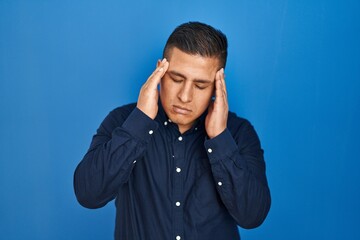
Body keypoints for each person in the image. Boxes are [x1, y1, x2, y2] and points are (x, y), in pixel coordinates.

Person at [74, 21, 271, 240]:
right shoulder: (122, 121)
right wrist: (139, 123)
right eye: (177, 79)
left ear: (217, 86)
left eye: (200, 86)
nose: (185, 96)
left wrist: (220, 138)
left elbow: (252, 217)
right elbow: (88, 194)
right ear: (160, 71)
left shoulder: (239, 133)